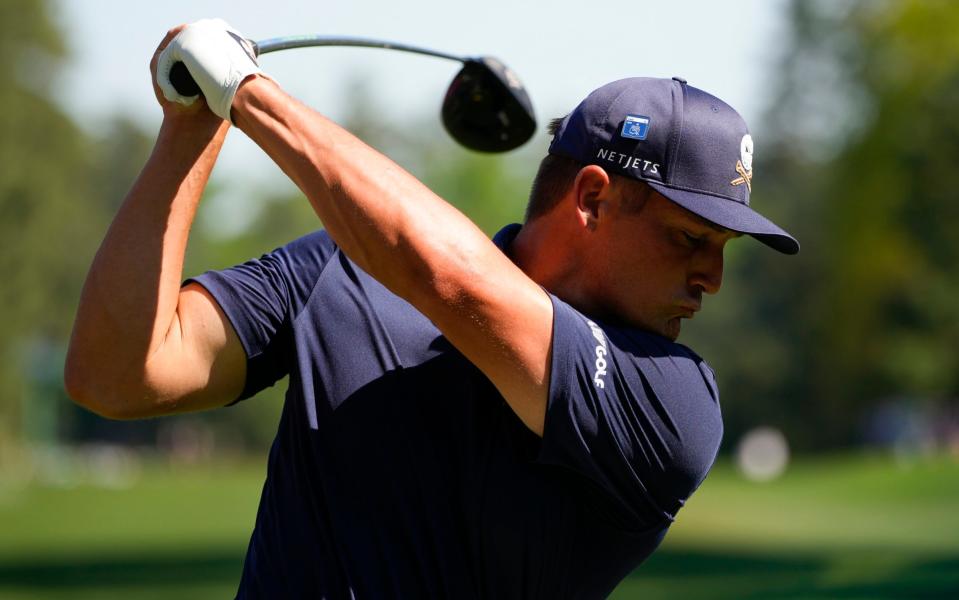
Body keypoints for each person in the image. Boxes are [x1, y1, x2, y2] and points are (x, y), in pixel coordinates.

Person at [65, 19, 798, 599]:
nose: (712, 276)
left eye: (723, 247)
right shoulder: (340, 267)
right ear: (594, 199)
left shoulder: (672, 401)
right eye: (691, 238)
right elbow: (117, 375)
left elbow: (452, 282)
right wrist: (191, 129)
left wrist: (246, 91)